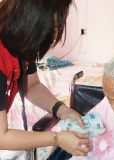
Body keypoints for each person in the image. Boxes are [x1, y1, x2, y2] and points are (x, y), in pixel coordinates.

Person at [0, 0, 90, 156]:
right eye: (54, 29)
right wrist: (56, 138)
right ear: (32, 21)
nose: (55, 37)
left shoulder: (21, 44)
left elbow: (32, 85)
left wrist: (61, 110)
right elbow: (1, 137)